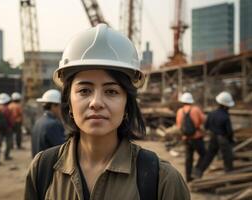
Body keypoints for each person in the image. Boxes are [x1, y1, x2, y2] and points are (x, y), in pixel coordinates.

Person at [25, 24, 189, 200]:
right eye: (84, 91)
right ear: (69, 102)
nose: (96, 103)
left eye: (111, 91)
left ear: (127, 103)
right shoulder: (42, 170)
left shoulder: (162, 180)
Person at [193, 91, 235, 178]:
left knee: (209, 155)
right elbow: (229, 131)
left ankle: (199, 172)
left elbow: (206, 126)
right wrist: (231, 140)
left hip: (213, 137)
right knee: (228, 157)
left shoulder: (211, 114)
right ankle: (229, 176)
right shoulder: (226, 116)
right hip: (223, 138)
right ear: (225, 105)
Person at [176, 92, 206, 182]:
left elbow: (178, 126)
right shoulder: (196, 109)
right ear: (191, 101)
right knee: (204, 154)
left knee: (189, 158)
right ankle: (197, 170)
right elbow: (203, 120)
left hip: (186, 138)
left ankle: (188, 178)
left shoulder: (179, 111)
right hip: (196, 137)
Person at [31, 89, 65, 157]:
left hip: (39, 163)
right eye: (60, 106)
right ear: (53, 106)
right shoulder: (53, 124)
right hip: (49, 165)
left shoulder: (38, 121)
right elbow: (62, 149)